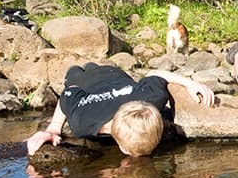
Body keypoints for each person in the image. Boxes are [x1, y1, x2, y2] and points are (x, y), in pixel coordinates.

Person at [26, 63, 215, 157]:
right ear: (122, 148)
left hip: (114, 74)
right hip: (85, 82)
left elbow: (156, 74)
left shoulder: (152, 98)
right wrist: (54, 128)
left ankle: (94, 65)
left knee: (97, 68)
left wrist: (190, 84)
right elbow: (69, 93)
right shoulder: (82, 121)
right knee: (74, 71)